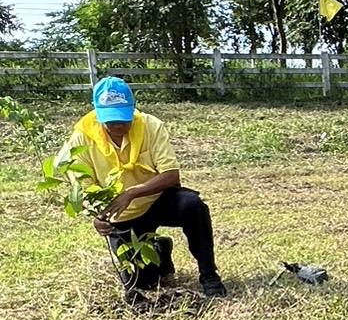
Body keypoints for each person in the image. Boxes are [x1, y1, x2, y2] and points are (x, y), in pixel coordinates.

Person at [57, 77, 226, 296]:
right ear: (98, 114)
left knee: (193, 205)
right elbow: (84, 188)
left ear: (132, 108)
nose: (119, 125)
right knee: (141, 284)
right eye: (111, 120)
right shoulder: (81, 139)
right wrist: (98, 216)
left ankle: (209, 275)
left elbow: (171, 175)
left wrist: (132, 193)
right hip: (122, 214)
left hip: (157, 199)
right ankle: (160, 250)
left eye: (123, 118)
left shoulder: (150, 126)